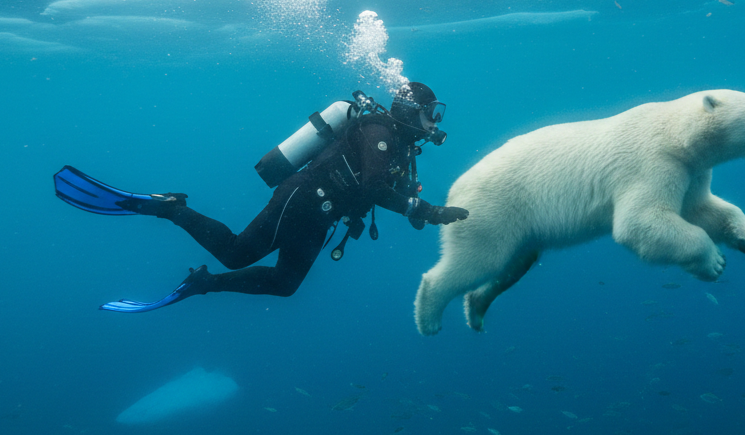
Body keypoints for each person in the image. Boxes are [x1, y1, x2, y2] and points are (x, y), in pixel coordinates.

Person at [53, 83, 468, 312]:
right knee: (236, 253)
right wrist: (427, 211)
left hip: (321, 216)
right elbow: (374, 188)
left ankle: (204, 284)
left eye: (437, 115)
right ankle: (171, 209)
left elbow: (386, 190)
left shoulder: (399, 148)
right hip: (303, 199)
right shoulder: (378, 132)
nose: (435, 123)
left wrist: (418, 207)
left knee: (285, 285)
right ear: (410, 110)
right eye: (432, 113)